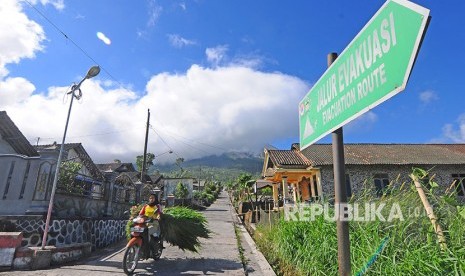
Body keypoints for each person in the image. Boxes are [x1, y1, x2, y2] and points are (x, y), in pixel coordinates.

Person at [139, 192, 163, 258]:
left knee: (151, 234)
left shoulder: (158, 206)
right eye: (150, 198)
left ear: (155, 199)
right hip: (145, 223)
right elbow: (140, 214)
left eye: (153, 198)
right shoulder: (145, 206)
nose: (151, 199)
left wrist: (158, 216)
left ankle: (154, 250)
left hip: (154, 223)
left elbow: (159, 213)